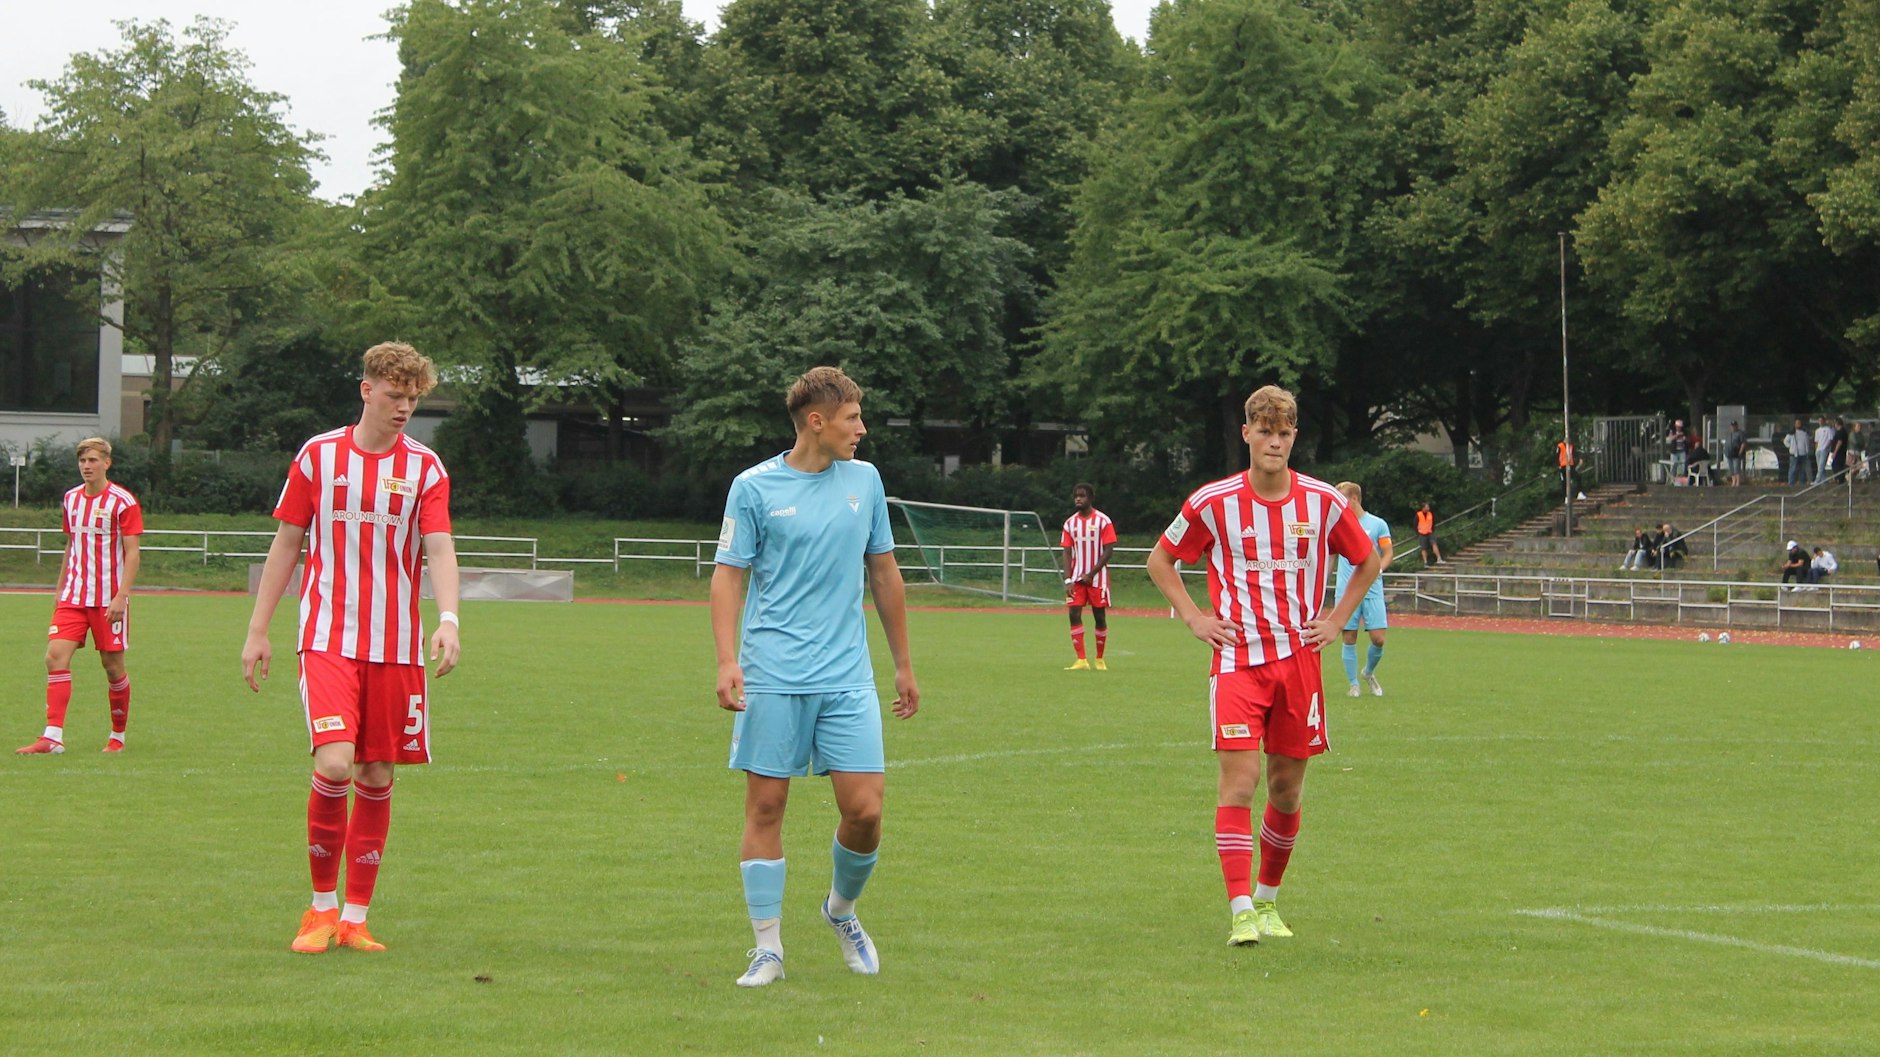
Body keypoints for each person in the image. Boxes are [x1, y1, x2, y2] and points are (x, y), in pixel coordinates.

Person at [241, 342, 462, 955]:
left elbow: (439, 548)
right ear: (367, 390)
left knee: (376, 772)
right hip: (328, 638)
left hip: (396, 646)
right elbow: (287, 543)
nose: (404, 407)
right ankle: (319, 909)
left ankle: (356, 918)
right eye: (394, 395)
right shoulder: (318, 456)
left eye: (412, 398)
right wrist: (258, 630)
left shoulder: (426, 468)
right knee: (336, 763)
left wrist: (448, 620)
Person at [1146, 384, 1380, 948]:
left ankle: (1269, 900)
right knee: (1240, 782)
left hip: (1300, 665)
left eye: (1284, 432)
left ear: (1294, 437)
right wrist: (1194, 618)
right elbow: (1160, 559)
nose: (1274, 442)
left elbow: (1367, 560)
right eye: (1265, 431)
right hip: (1237, 663)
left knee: (1285, 790)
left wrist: (1335, 619)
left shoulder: (1323, 502)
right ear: (1246, 433)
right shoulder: (1212, 502)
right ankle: (1241, 911)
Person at [711, 366, 920, 988]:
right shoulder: (752, 488)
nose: (862, 428)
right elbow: (729, 575)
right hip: (773, 672)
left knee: (866, 811)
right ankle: (767, 949)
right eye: (853, 417)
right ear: (816, 421)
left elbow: (884, 573)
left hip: (846, 675)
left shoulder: (866, 481)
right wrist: (726, 659)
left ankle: (841, 910)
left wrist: (903, 664)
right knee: (766, 805)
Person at [16, 437, 143, 755]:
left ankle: (117, 736)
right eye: (83, 461)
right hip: (74, 596)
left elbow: (132, 552)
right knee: (54, 656)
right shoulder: (71, 499)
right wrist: (60, 588)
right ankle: (52, 737)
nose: (87, 466)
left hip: (108, 600)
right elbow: (72, 544)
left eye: (93, 460)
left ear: (106, 463)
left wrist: (122, 596)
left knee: (112, 666)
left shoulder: (123, 502)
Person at [1332, 482, 1392, 698]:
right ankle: (1353, 684)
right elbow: (1330, 555)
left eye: (1342, 498)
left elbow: (1387, 553)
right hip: (1346, 589)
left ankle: (1368, 672)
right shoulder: (1337, 524)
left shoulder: (1377, 524)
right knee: (1349, 637)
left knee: (1378, 638)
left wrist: (1378, 570)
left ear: (1354, 499)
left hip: (1372, 588)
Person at [1060, 483, 1117, 671]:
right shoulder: (1070, 523)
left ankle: (1099, 659)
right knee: (1073, 613)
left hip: (1097, 578)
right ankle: (1081, 659)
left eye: (1082, 495)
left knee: (1099, 616)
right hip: (1077, 579)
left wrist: (1091, 574)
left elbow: (1108, 550)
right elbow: (1067, 552)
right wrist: (1068, 579)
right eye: (1076, 496)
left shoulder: (1103, 521)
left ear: (1091, 498)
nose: (1078, 499)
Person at [1414, 501, 1444, 566]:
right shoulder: (1418, 515)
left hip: (1430, 532)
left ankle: (1439, 559)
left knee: (1434, 544)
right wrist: (1418, 533)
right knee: (1423, 548)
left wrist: (1432, 530)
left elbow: (1433, 523)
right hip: (1422, 533)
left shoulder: (1430, 514)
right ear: (1423, 508)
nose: (1428, 508)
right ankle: (1425, 562)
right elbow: (1415, 525)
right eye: (1427, 507)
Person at [1787, 419, 1813, 486]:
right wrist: (1791, 447)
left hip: (1803, 454)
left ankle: (1802, 483)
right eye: (1797, 423)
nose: (1798, 424)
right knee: (1793, 469)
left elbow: (1808, 442)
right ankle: (1791, 483)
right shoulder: (1791, 434)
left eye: (1799, 423)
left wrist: (1807, 451)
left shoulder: (1804, 433)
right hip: (1794, 454)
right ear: (1794, 424)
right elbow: (1785, 441)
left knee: (1802, 469)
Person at [1725, 421, 1747, 487]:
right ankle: (1733, 481)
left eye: (1734, 426)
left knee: (1736, 468)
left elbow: (1743, 443)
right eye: (1732, 426)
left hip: (1736, 454)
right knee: (1731, 469)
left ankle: (1738, 481)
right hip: (1729, 454)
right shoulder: (1729, 434)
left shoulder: (1740, 433)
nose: (1733, 427)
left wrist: (1740, 452)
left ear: (1737, 426)